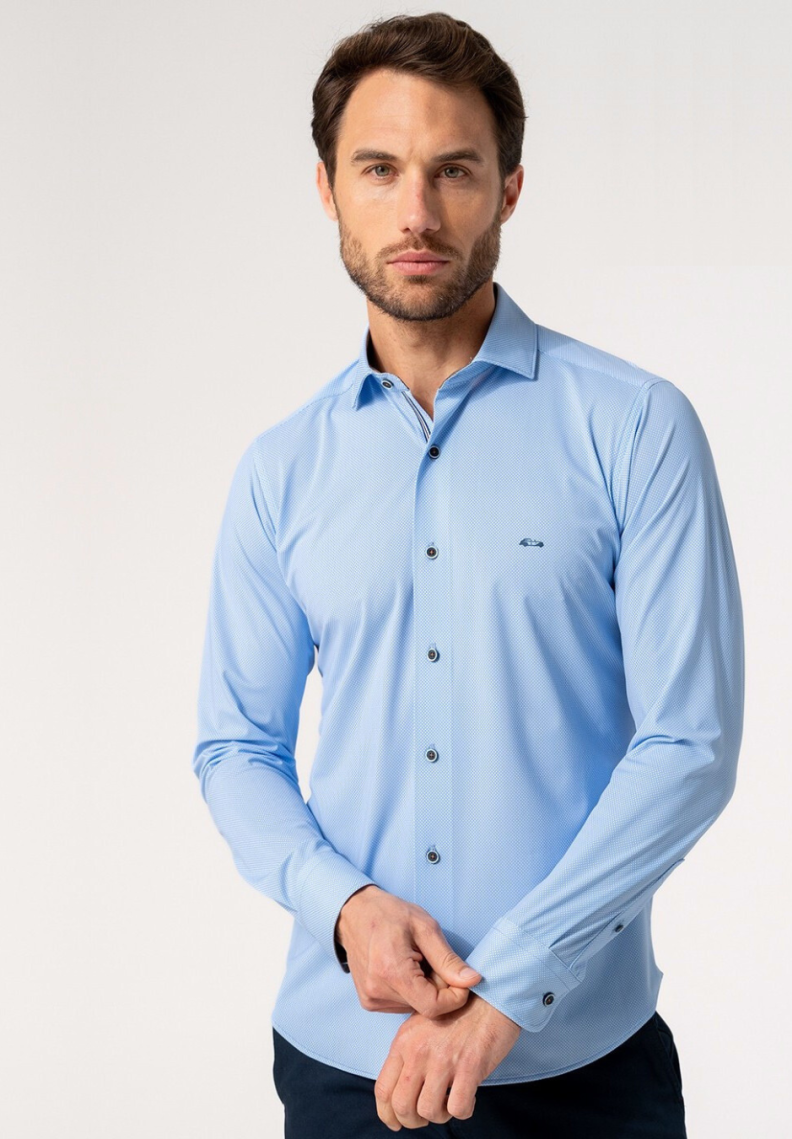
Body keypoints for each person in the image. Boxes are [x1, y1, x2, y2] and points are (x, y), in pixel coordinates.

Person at [192, 11, 745, 1137]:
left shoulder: (634, 426)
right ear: (326, 189)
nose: (416, 211)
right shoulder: (280, 470)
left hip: (579, 1068)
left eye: (453, 170)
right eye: (378, 169)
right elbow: (235, 747)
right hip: (345, 1066)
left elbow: (687, 743)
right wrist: (345, 907)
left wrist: (507, 990)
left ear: (508, 189)